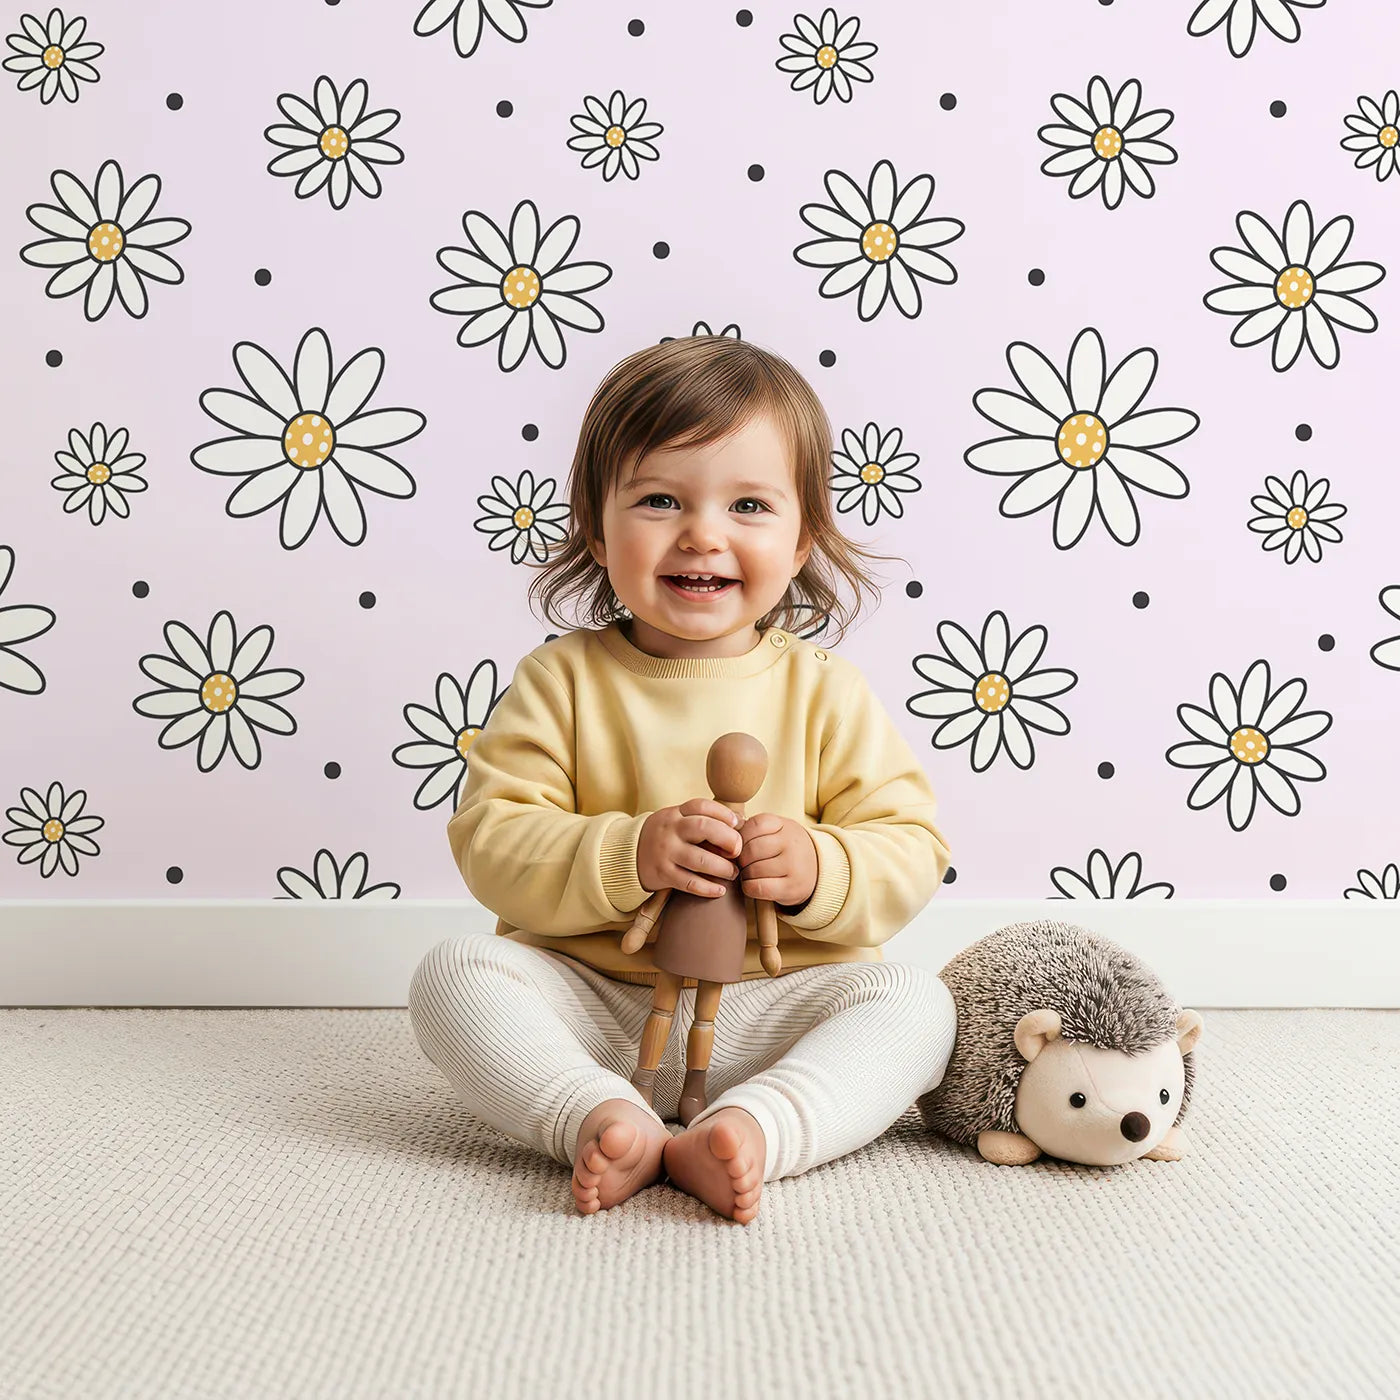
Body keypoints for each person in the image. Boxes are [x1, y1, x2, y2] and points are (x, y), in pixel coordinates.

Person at [408, 335, 958, 1224]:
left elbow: (911, 848)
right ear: (596, 522)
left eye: (748, 504)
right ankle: (597, 1115)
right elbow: (493, 841)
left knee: (915, 1006)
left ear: (803, 535)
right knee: (455, 974)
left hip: (774, 1012)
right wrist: (630, 853)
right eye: (659, 499)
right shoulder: (563, 681)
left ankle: (753, 1129)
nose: (703, 533)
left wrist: (821, 867)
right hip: (594, 1005)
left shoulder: (825, 691)